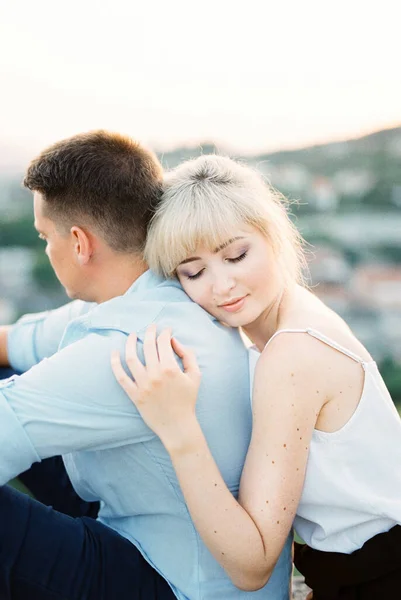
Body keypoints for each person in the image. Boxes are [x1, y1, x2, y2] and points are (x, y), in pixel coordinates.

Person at [0, 133, 292, 600]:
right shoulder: (159, 289)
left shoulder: (137, 345)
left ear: (79, 243)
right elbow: (19, 342)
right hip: (148, 526)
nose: (45, 250)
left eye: (44, 237)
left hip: (176, 584)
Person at [113, 154, 401, 600]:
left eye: (236, 255)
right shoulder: (292, 322)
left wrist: (177, 427)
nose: (222, 284)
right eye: (194, 272)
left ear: (274, 237)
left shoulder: (292, 353)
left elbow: (252, 565)